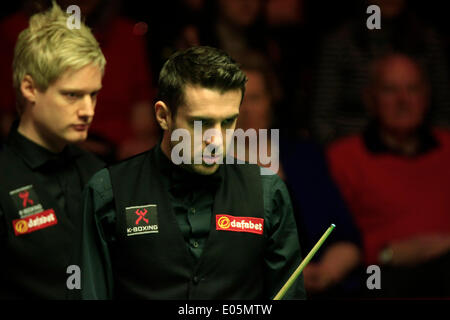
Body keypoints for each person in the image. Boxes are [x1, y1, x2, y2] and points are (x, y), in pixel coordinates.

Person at [81, 46, 305, 300]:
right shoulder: (108, 191)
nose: (217, 140)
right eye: (202, 123)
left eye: (228, 121)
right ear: (164, 116)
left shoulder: (267, 192)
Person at [0, 2, 106, 299]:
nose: (87, 111)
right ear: (30, 88)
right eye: (72, 95)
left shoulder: (99, 174)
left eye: (93, 95)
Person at [327, 53, 450, 298]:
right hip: (382, 277)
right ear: (370, 99)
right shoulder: (342, 157)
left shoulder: (448, 148)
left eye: (412, 89)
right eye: (390, 90)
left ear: (426, 97)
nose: (403, 100)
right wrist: (387, 253)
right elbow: (333, 235)